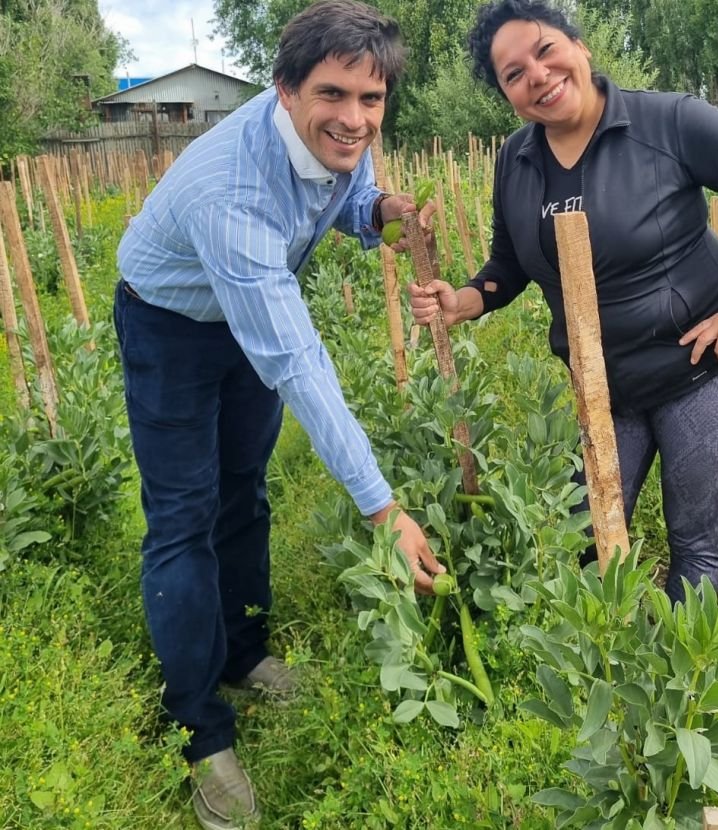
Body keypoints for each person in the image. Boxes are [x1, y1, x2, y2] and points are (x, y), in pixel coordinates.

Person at [114, 2, 444, 828]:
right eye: (333, 95)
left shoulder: (343, 138)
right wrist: (384, 508)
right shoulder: (231, 187)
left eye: (372, 100)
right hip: (171, 326)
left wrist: (381, 214)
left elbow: (349, 197)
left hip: (241, 313)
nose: (355, 118)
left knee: (244, 489)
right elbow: (297, 364)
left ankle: (243, 651)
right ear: (284, 88)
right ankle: (198, 728)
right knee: (184, 520)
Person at [409, 0, 718, 605]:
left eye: (545, 50)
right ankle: (607, 673)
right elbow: (509, 265)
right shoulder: (517, 163)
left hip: (696, 369)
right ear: (507, 94)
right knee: (588, 537)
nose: (538, 76)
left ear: (581, 48)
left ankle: (687, 687)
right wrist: (465, 299)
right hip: (601, 385)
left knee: (693, 540)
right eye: (514, 74)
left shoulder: (670, 122)